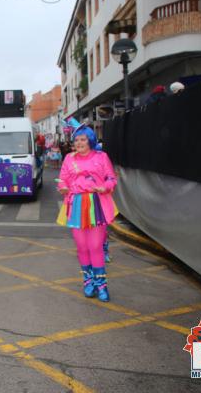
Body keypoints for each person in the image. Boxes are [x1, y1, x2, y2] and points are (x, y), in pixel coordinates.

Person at [56, 125, 117, 302]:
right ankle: (88, 281)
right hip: (75, 205)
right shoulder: (68, 158)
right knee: (82, 247)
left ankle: (102, 285)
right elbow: (62, 179)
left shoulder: (101, 156)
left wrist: (104, 187)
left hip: (96, 203)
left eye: (83, 139)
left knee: (96, 246)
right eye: (76, 140)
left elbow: (111, 179)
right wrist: (63, 187)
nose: (79, 143)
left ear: (90, 140)